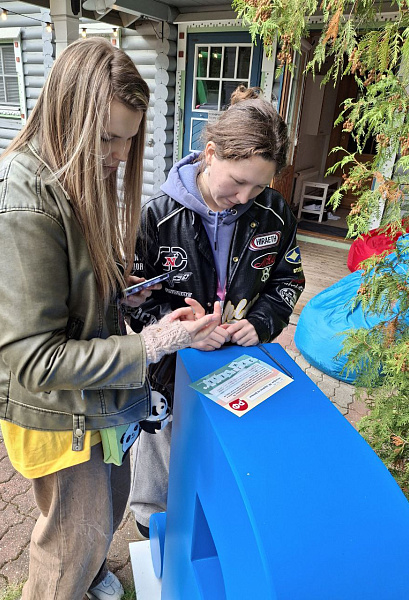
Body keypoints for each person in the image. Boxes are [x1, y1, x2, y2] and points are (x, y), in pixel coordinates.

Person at [0, 38, 221, 600]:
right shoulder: (18, 209)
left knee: (102, 504)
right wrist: (154, 342)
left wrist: (125, 296)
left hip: (89, 394)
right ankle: (69, 579)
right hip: (56, 408)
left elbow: (70, 291)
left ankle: (88, 567)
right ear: (67, 116)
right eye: (108, 138)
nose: (119, 156)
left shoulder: (68, 176)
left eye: (129, 140)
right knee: (69, 536)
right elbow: (37, 361)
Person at [128, 85, 306, 538]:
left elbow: (288, 281)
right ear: (210, 154)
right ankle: (150, 521)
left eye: (260, 185)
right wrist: (176, 329)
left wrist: (260, 323)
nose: (246, 197)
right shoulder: (157, 216)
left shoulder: (276, 214)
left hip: (238, 362)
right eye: (238, 181)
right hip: (170, 366)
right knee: (162, 439)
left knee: (222, 447)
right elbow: (135, 301)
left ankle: (208, 519)